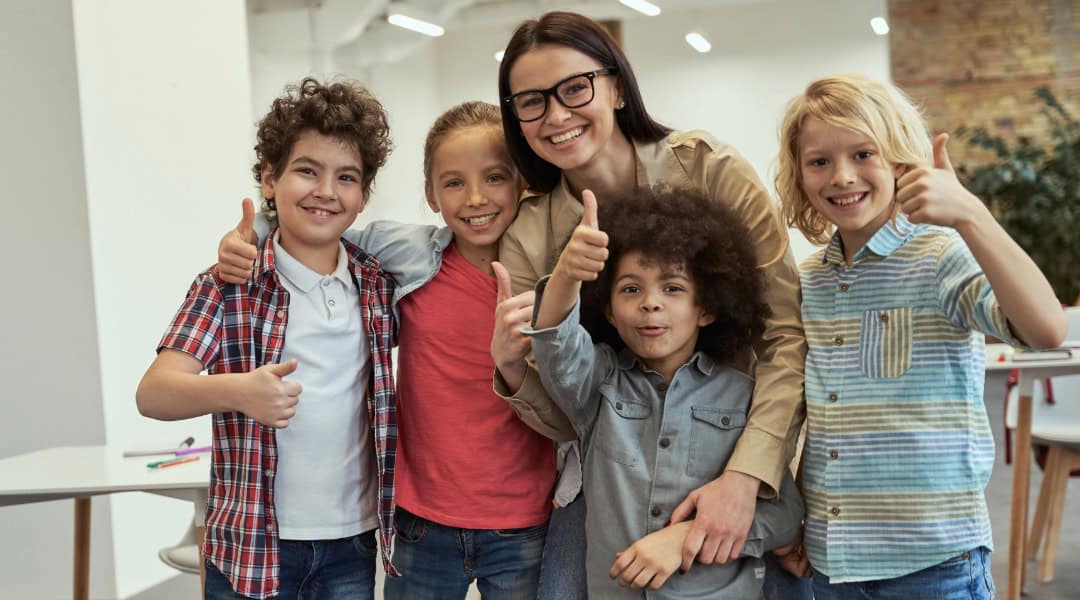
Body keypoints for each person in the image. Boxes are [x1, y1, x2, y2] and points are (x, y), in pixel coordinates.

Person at [488, 11, 809, 599]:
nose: (556, 115)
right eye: (530, 102)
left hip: (732, 436)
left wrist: (746, 477)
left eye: (574, 88)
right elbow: (567, 409)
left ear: (615, 84)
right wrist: (513, 368)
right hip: (610, 467)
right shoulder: (531, 234)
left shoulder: (709, 168)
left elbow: (785, 334)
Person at [215, 101, 557, 599]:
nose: (476, 198)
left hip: (523, 520)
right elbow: (321, 226)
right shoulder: (409, 255)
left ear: (523, 184)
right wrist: (246, 237)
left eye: (496, 178)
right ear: (431, 195)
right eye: (454, 182)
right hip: (420, 521)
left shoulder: (549, 279)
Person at [774, 74, 1067, 598]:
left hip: (935, 562)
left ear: (900, 161)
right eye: (820, 161)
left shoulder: (940, 256)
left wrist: (971, 215)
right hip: (833, 559)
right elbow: (821, 419)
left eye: (864, 154)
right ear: (800, 175)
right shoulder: (810, 277)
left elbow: (1046, 329)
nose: (842, 176)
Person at [136, 77, 396, 599]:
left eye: (346, 177)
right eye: (307, 170)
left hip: (353, 542)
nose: (326, 190)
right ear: (269, 179)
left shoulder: (376, 284)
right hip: (252, 543)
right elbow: (154, 393)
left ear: (363, 196)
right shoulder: (229, 284)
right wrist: (238, 391)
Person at [523, 185, 804, 598]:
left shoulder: (744, 398)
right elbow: (556, 345)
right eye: (630, 289)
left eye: (672, 288)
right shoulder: (597, 385)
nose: (650, 303)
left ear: (706, 308)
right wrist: (567, 274)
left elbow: (784, 513)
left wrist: (690, 537)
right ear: (607, 310)